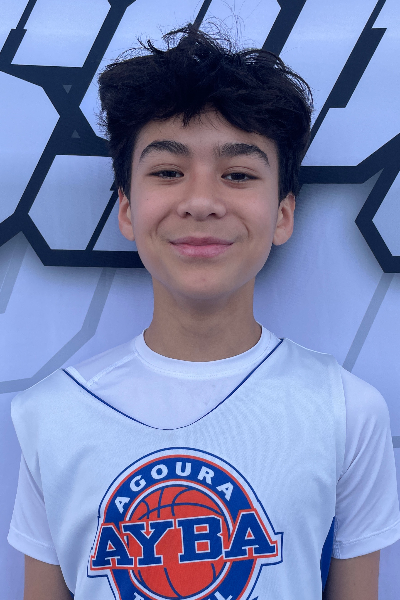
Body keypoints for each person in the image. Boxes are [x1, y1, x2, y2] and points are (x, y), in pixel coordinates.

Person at [8, 25, 400, 600]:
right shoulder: (50, 415)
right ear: (126, 209)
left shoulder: (347, 411)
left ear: (283, 214)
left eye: (238, 175)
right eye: (168, 171)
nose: (200, 202)